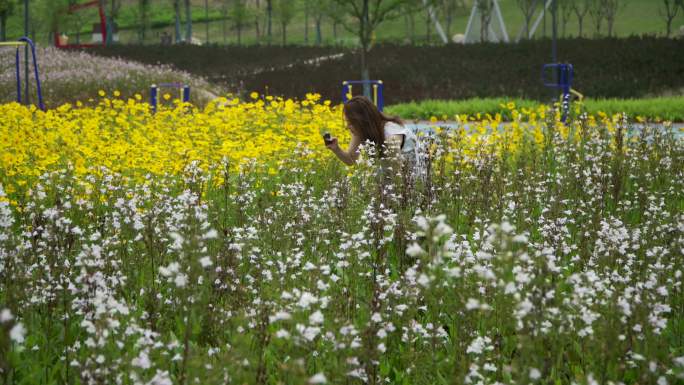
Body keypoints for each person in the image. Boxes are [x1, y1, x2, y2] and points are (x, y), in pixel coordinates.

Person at [325, 96, 417, 168]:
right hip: (390, 177)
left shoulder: (391, 136)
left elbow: (397, 173)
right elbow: (351, 159)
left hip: (412, 179)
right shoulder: (361, 131)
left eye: (350, 123)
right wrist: (336, 149)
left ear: (363, 121)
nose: (347, 127)